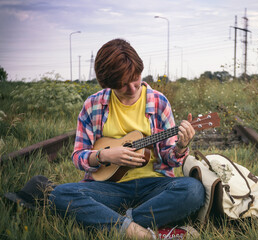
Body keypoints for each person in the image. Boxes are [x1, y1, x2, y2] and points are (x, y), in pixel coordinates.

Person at [49, 38, 205, 239]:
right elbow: (78, 157)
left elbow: (170, 159)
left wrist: (181, 147)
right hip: (108, 189)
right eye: (122, 85)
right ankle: (144, 232)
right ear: (108, 83)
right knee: (58, 194)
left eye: (136, 78)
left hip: (153, 187)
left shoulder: (159, 102)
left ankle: (111, 223)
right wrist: (105, 156)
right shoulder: (93, 105)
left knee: (192, 190)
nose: (133, 88)